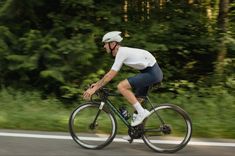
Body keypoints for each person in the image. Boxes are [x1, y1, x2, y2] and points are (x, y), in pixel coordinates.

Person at [83, 31, 163, 127]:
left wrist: (95, 88)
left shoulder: (122, 52)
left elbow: (110, 75)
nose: (104, 46)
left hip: (152, 73)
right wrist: (96, 85)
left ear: (113, 44)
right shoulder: (122, 52)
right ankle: (136, 131)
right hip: (149, 72)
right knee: (136, 100)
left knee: (121, 86)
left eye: (105, 44)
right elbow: (109, 74)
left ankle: (142, 112)